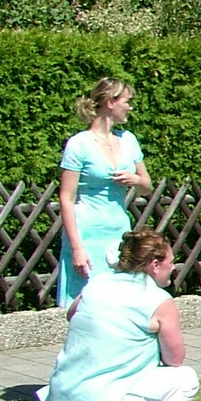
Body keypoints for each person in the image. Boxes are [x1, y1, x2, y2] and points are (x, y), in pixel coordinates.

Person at [41, 228, 198, 401]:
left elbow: (71, 315)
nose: (173, 268)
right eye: (171, 262)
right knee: (186, 379)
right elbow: (174, 360)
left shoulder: (97, 284)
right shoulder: (159, 300)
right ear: (155, 264)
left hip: (60, 399)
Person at [57, 78, 152, 307]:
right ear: (110, 102)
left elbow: (147, 186)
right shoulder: (79, 144)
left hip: (119, 232)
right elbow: (66, 198)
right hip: (88, 233)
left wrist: (135, 179)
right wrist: (78, 248)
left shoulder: (128, 140)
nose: (130, 107)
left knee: (120, 302)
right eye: (127, 101)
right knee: (85, 305)